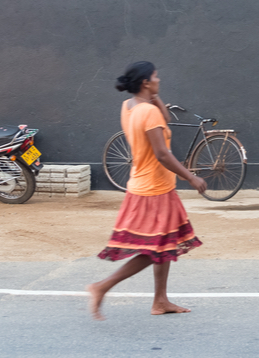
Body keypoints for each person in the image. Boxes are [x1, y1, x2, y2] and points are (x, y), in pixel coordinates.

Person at [87, 61, 207, 320]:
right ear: (145, 82)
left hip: (148, 185)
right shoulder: (147, 112)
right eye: (155, 77)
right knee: (155, 249)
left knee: (165, 245)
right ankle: (101, 287)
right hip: (153, 189)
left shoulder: (129, 107)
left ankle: (160, 300)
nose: (159, 80)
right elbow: (162, 153)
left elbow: (163, 120)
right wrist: (190, 177)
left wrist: (154, 95)